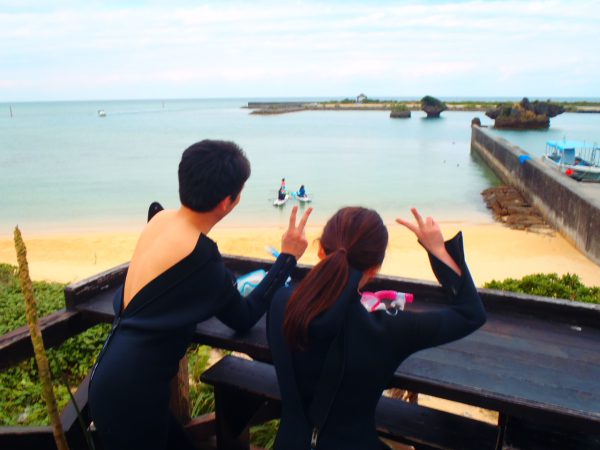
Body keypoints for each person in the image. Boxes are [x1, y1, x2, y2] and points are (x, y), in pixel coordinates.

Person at [88, 139, 312, 450]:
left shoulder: (160, 219)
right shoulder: (201, 257)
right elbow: (244, 316)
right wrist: (287, 258)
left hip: (113, 378)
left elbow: (167, 291)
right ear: (228, 202)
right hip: (133, 397)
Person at [267, 207, 486, 450]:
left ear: (320, 251)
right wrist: (437, 249)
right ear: (374, 270)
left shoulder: (281, 304)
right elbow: (471, 314)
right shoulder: (387, 331)